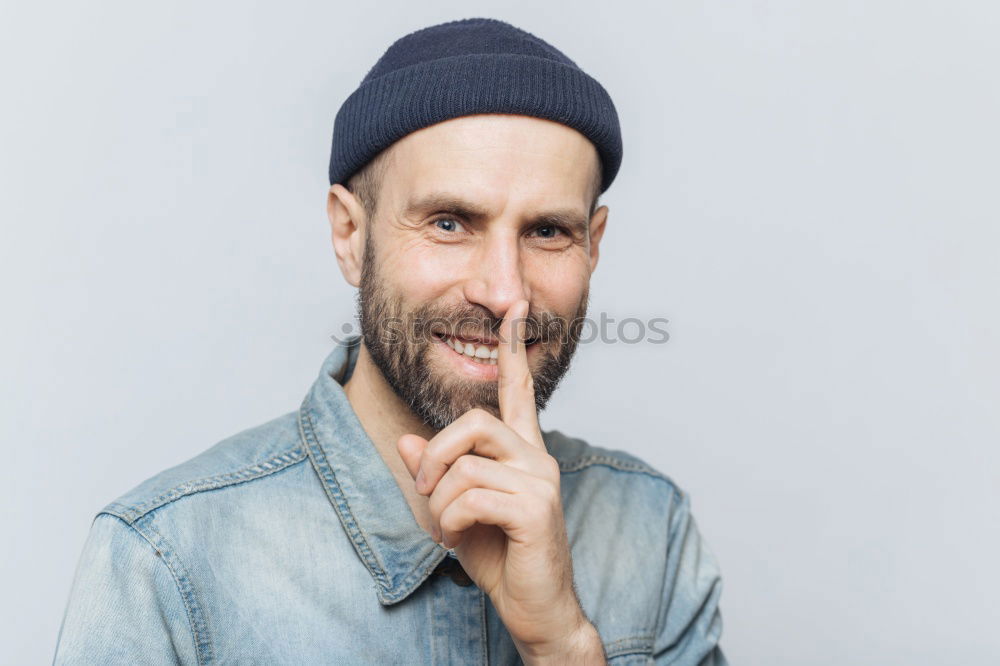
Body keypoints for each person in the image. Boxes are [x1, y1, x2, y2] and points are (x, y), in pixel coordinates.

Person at [54, 17, 727, 665]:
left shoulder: (650, 530)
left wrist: (563, 650)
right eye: (447, 223)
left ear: (594, 245)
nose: (503, 292)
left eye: (547, 231)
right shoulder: (164, 561)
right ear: (350, 234)